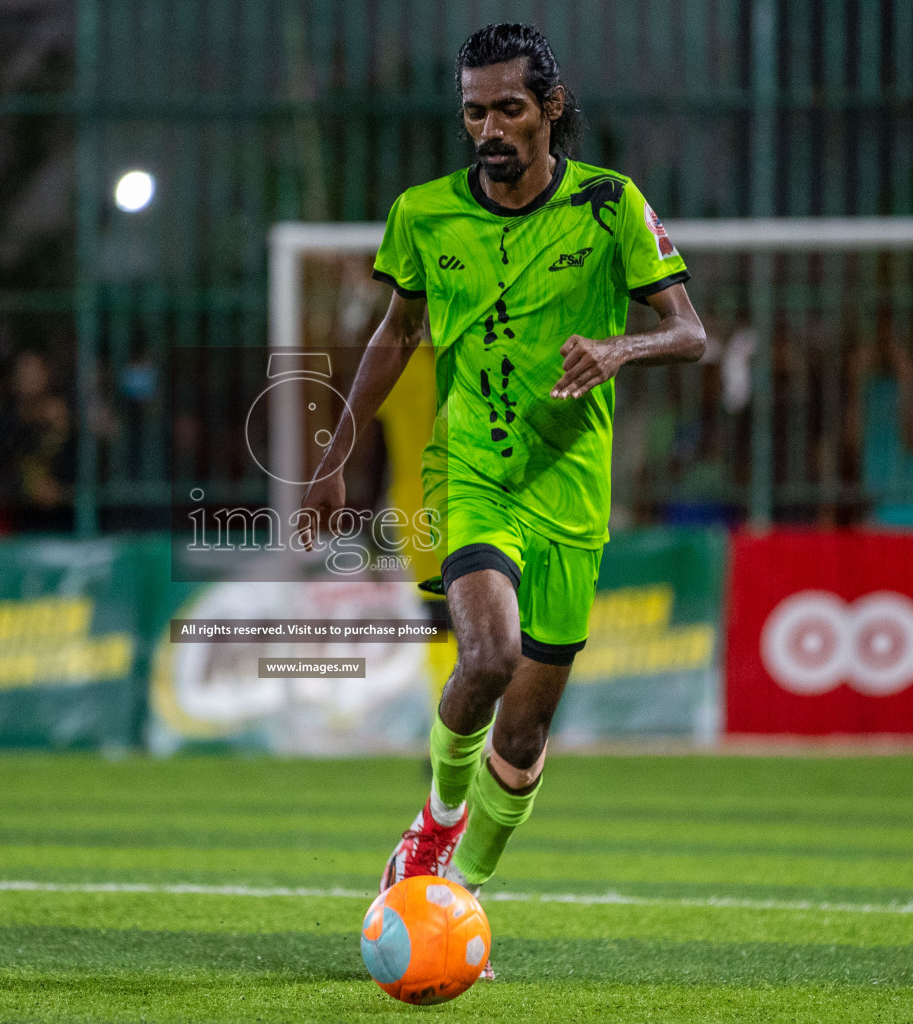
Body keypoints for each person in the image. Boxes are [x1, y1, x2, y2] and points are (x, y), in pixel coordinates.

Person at [300, 23, 705, 977]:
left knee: (524, 728)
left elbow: (690, 331)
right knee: (485, 653)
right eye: (474, 110)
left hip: (571, 488)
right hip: (471, 471)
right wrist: (334, 453)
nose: (489, 127)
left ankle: (461, 892)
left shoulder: (611, 206)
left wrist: (619, 349)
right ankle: (433, 833)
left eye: (509, 109)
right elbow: (394, 334)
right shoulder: (424, 214)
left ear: (551, 110)